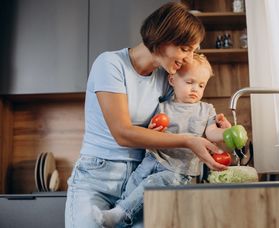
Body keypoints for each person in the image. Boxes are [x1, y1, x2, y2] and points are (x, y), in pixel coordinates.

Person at [65, 2, 229, 228]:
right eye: (185, 49)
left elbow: (190, 114)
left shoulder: (167, 76)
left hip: (145, 177)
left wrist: (218, 130)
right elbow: (122, 133)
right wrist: (188, 141)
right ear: (164, 37)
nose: (190, 58)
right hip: (98, 177)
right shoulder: (111, 64)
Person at [92, 53, 232, 227]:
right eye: (189, 82)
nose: (195, 89)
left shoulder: (206, 110)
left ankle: (119, 215)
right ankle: (119, 217)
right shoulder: (161, 105)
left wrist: (226, 132)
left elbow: (211, 133)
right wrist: (151, 130)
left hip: (178, 170)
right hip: (152, 159)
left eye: (201, 85)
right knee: (134, 184)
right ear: (172, 80)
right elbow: (151, 133)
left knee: (151, 186)